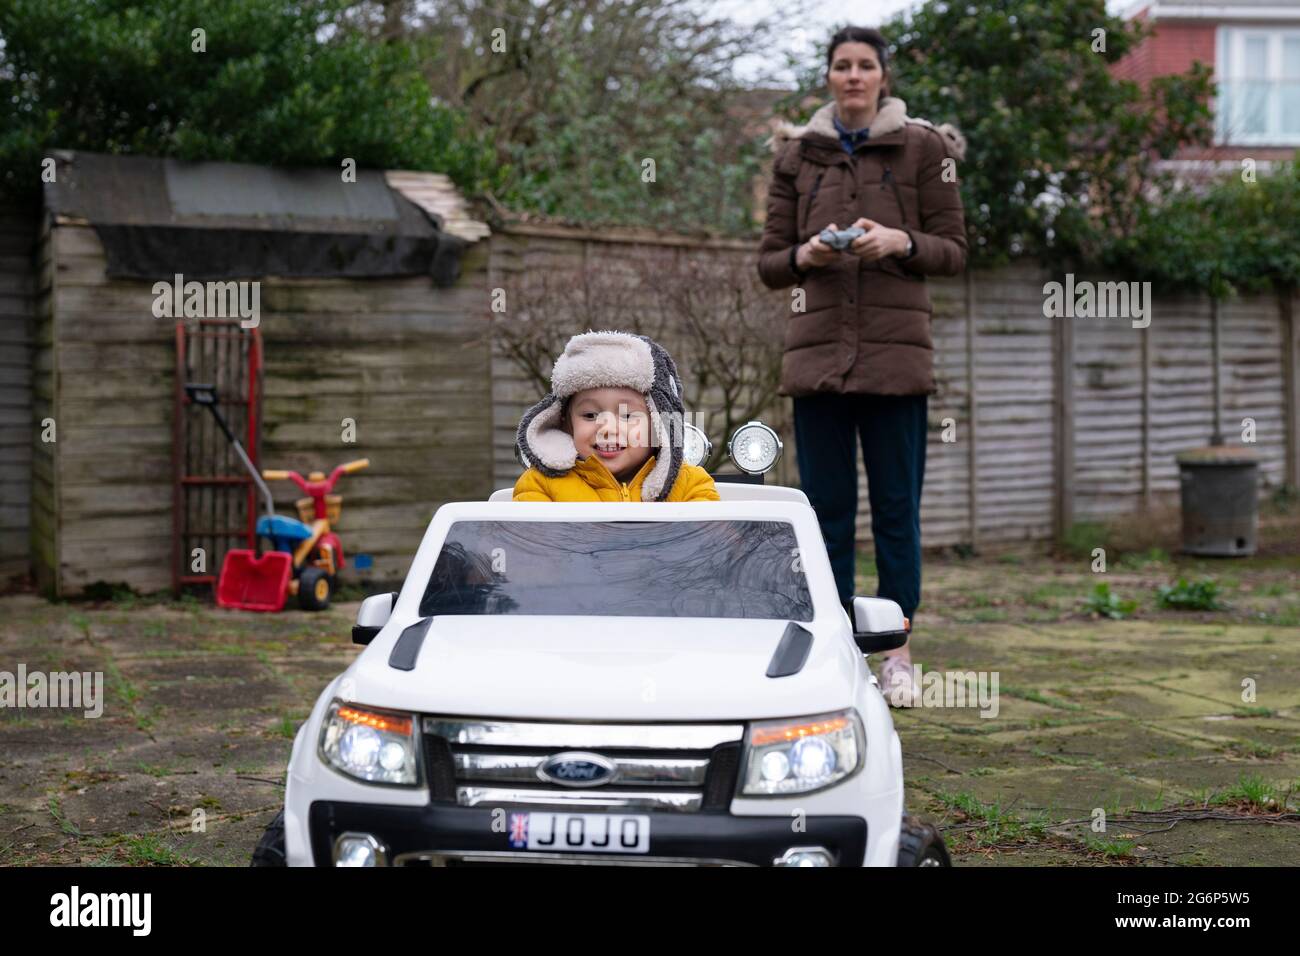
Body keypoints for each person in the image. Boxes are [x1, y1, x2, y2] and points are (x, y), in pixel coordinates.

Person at [756, 26, 969, 706]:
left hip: (896, 361)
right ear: (829, 78)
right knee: (824, 513)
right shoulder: (797, 157)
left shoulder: (925, 148)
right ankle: (838, 644)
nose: (853, 76)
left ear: (883, 76)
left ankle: (897, 647)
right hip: (817, 362)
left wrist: (901, 240)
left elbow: (955, 250)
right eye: (842, 66)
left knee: (897, 510)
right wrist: (807, 256)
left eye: (865, 66)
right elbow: (768, 262)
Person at [513, 330, 720, 502]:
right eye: (590, 415)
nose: (608, 428)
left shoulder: (690, 485)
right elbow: (532, 546)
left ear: (658, 425)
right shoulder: (540, 484)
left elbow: (711, 545)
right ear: (567, 424)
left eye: (627, 415)